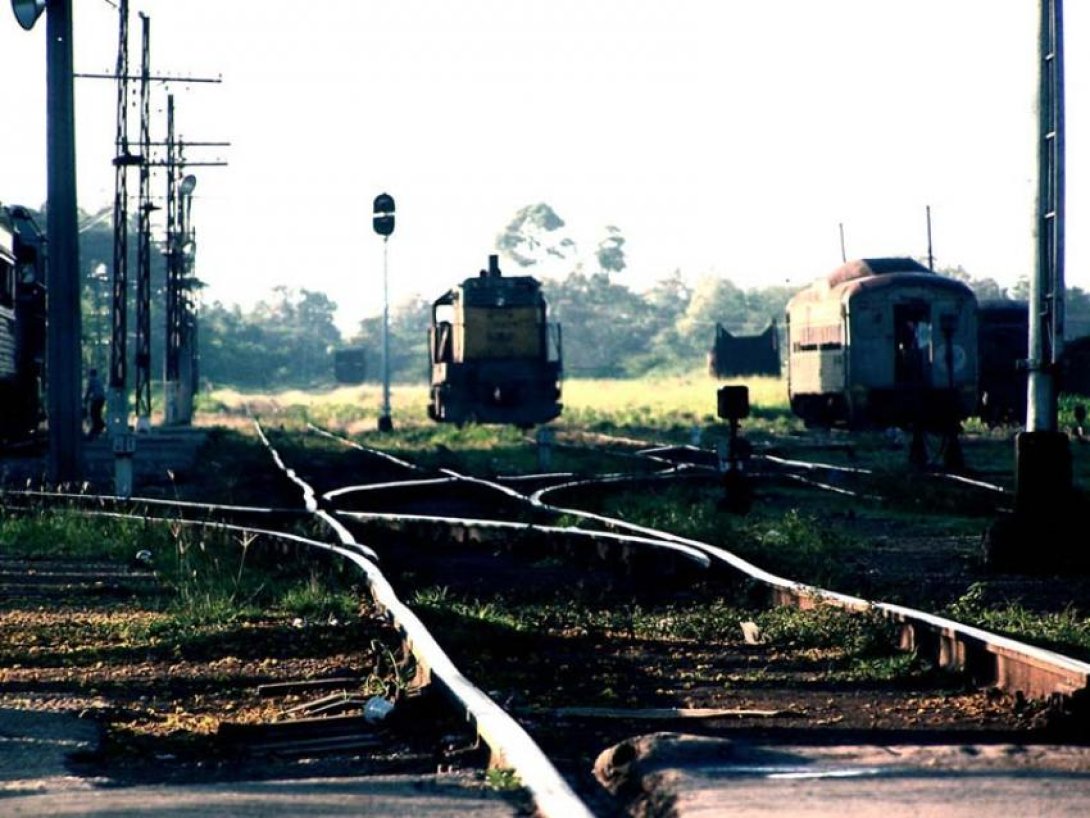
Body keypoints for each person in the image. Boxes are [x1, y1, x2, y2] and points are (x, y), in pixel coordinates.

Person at [84, 368, 106, 440]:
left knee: (93, 414)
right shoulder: (98, 380)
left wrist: (85, 400)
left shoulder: (92, 380)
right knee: (97, 414)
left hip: (97, 399)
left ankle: (99, 426)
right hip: (101, 399)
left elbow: (89, 390)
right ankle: (98, 427)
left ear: (91, 374)